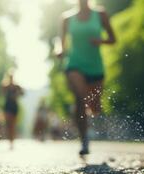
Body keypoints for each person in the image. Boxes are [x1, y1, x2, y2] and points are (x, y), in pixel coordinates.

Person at [57, 0, 116, 156]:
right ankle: (84, 141)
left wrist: (100, 41)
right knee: (80, 99)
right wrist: (59, 51)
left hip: (95, 66)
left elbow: (113, 38)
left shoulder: (100, 14)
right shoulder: (67, 18)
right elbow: (60, 42)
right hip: (74, 63)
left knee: (95, 106)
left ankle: (91, 121)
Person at [2, 73, 24, 150]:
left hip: (14, 106)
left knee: (13, 125)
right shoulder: (5, 86)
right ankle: (10, 140)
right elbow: (2, 94)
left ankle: (12, 141)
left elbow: (22, 93)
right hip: (7, 106)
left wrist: (17, 93)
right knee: (8, 124)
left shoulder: (17, 86)